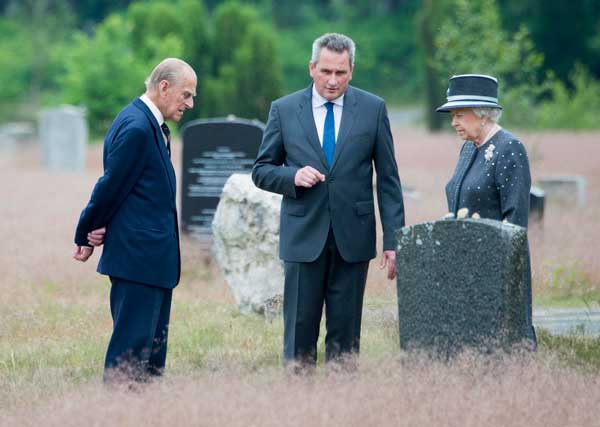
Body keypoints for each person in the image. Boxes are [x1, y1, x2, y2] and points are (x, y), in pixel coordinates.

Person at [252, 33, 405, 370]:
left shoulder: (373, 108)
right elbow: (261, 170)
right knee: (299, 333)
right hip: (303, 236)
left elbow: (389, 181)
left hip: (354, 238)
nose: (332, 81)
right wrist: (292, 176)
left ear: (351, 71)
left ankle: (341, 406)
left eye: (340, 73)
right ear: (311, 68)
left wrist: (393, 241)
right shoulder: (284, 109)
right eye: (325, 72)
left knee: (346, 337)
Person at [72, 58, 197, 381]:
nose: (190, 103)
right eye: (186, 94)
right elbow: (111, 186)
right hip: (138, 260)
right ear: (164, 87)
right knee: (129, 357)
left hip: (151, 261)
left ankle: (143, 413)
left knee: (150, 359)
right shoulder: (138, 127)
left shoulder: (147, 123)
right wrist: (86, 233)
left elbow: (129, 190)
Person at [437, 73, 536, 347]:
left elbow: (515, 222)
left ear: (483, 114)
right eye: (451, 115)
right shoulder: (469, 148)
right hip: (464, 265)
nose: (454, 122)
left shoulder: (510, 149)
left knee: (500, 345)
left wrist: (493, 268)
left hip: (497, 269)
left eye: (460, 114)